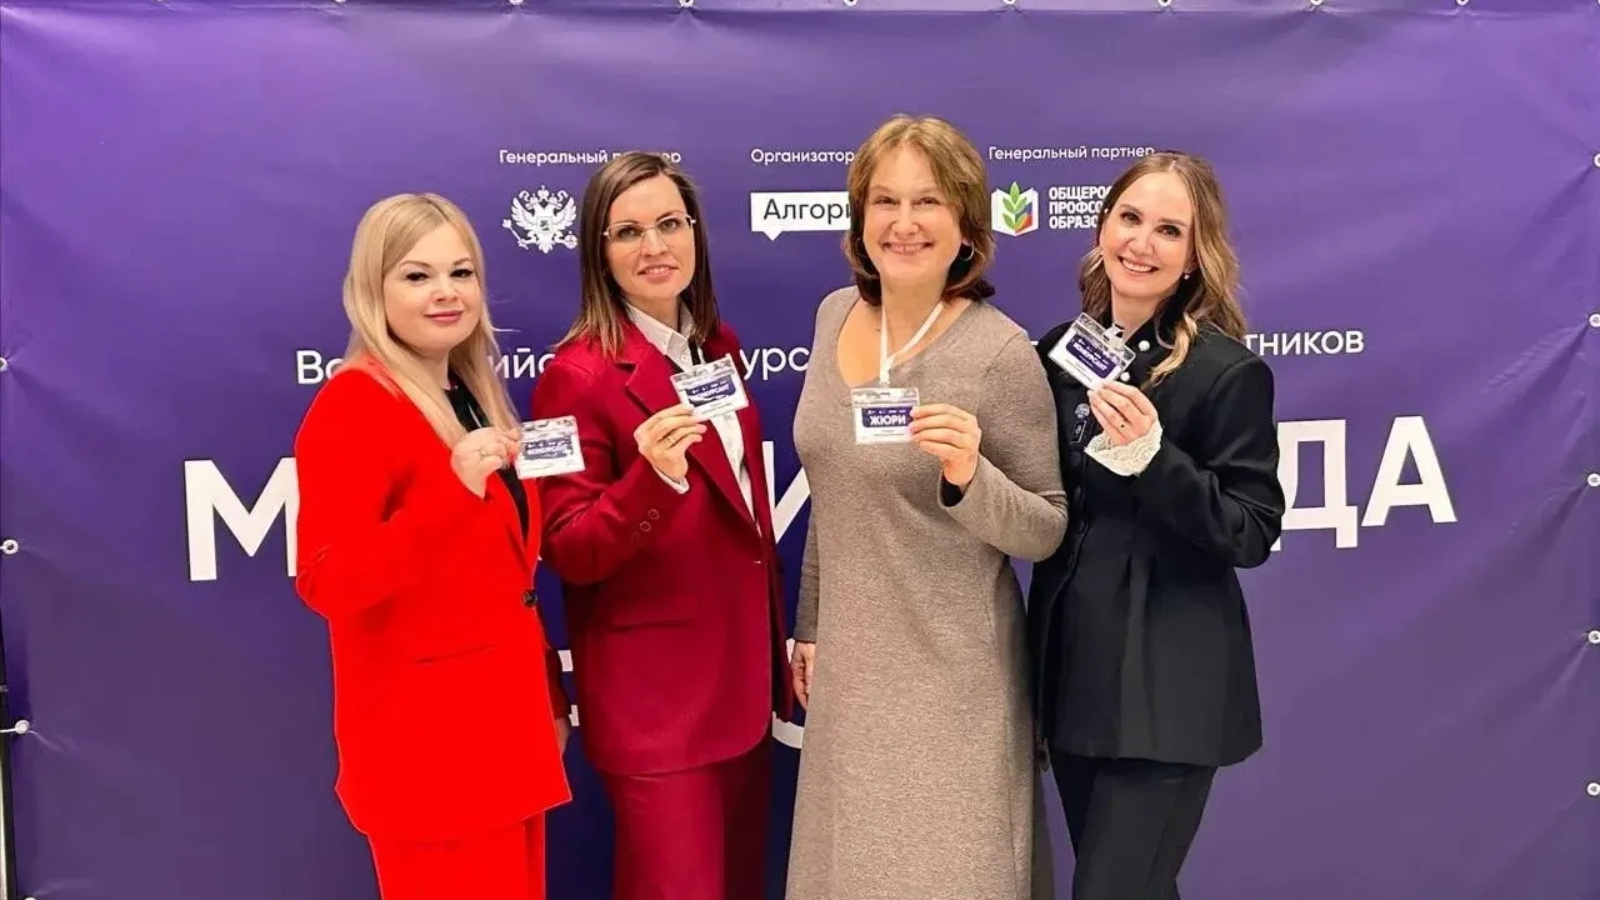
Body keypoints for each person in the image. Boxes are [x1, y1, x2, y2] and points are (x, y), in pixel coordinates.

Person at [785, 114, 1068, 900]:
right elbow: (833, 491)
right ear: (860, 218)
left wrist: (970, 476)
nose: (903, 223)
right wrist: (811, 624)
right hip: (851, 676)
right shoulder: (833, 315)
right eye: (886, 201)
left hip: (955, 682)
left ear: (966, 226)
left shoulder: (997, 352)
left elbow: (1046, 527)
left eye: (928, 202)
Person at [292, 193, 572, 900]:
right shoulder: (354, 404)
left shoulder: (469, 395)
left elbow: (506, 578)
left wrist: (546, 695)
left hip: (506, 737)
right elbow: (328, 581)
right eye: (417, 275)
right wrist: (452, 494)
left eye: (461, 272)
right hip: (431, 757)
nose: (446, 292)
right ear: (373, 290)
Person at [528, 151, 793, 900]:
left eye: (670, 224)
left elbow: (742, 511)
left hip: (740, 689)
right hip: (658, 708)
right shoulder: (573, 376)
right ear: (600, 252)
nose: (655, 247)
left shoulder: (717, 347)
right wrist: (654, 477)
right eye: (628, 232)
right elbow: (569, 548)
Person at [1026, 151, 1286, 900]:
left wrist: (1153, 458)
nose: (1141, 243)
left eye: (1169, 230)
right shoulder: (1059, 354)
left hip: (1168, 689)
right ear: (1102, 227)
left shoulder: (1225, 372)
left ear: (1196, 255)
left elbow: (1251, 530)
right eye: (1130, 218)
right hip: (1074, 676)